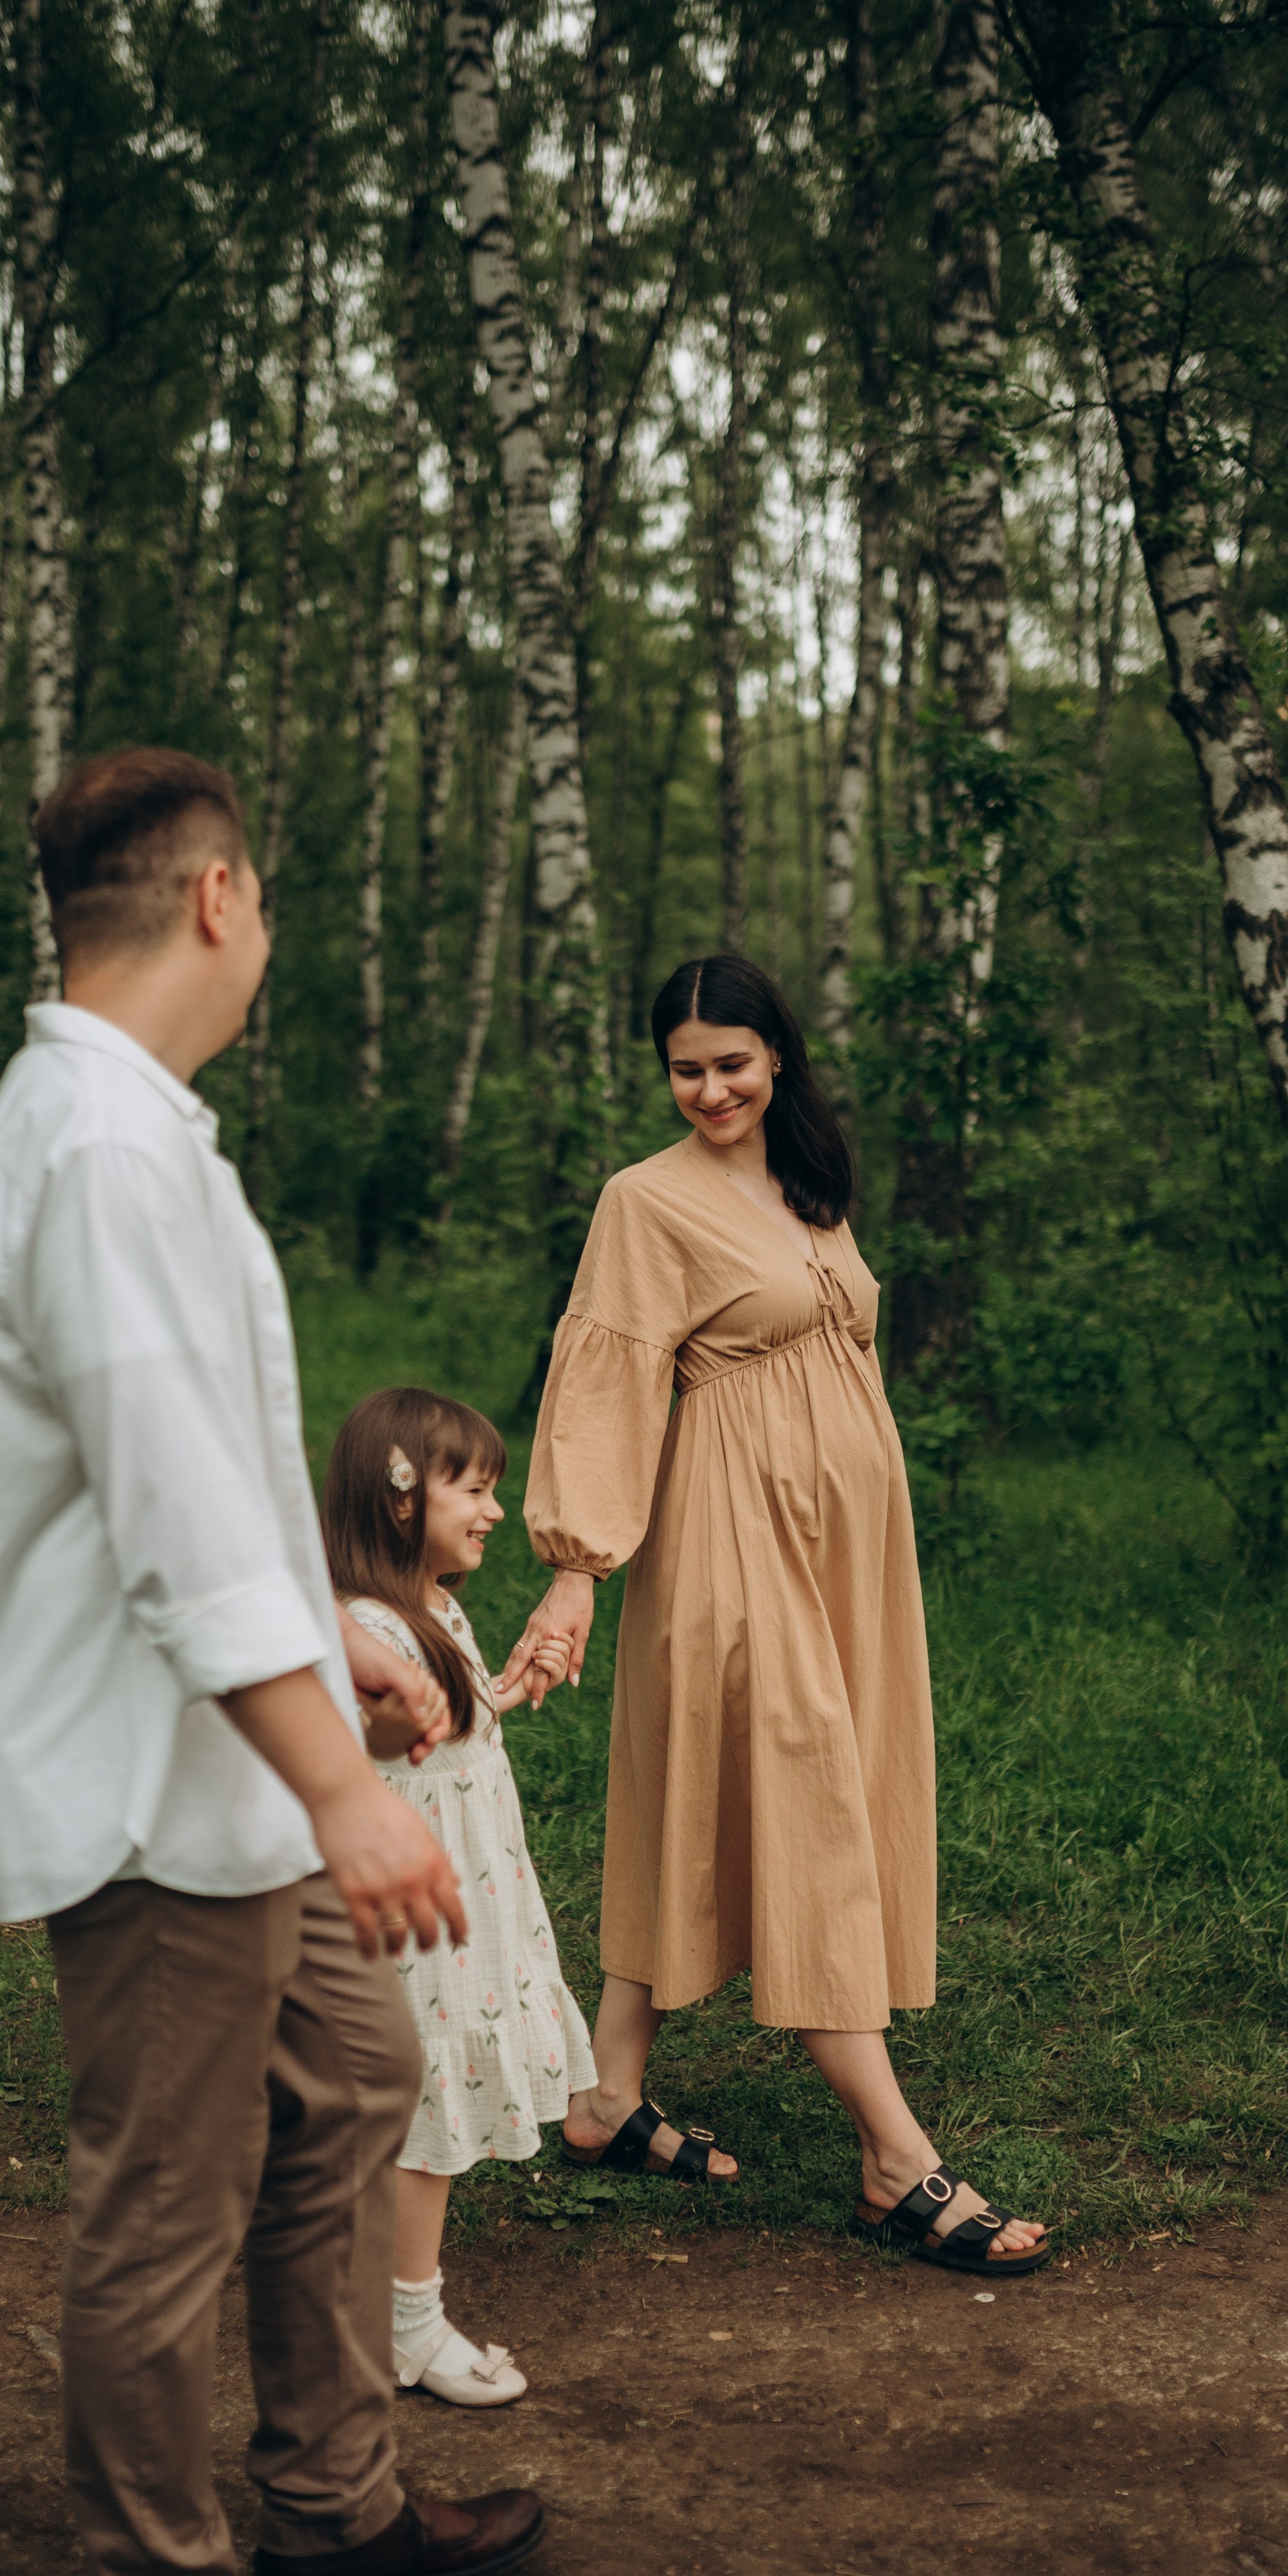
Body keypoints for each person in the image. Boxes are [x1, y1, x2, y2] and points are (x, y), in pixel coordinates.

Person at [0, 746, 545, 2576]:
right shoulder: (97, 1150)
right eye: (268, 903)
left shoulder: (140, 1137)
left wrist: (347, 1637)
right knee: (164, 2207)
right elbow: (169, 1511)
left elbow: (217, 1486)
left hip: (238, 1761)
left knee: (356, 2079)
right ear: (214, 900)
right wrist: (348, 1782)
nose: (267, 936)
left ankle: (336, 2510)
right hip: (148, 1778)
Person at [504, 951, 1048, 2277]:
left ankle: (606, 2097)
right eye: (684, 1069)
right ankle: (895, 2162)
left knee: (715, 1796)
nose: (708, 1089)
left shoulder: (809, 1185)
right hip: (733, 1543)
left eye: (731, 1062)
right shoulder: (645, 1202)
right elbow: (609, 1373)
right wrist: (579, 1567)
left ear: (778, 1058)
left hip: (841, 1551)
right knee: (803, 1812)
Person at [323, 1386, 596, 2409]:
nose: (493, 1511)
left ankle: (383, 2305)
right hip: (413, 1909)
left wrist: (507, 1689)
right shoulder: (362, 1627)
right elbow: (382, 1743)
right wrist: (408, 1721)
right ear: (400, 1499)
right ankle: (407, 2326)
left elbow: (456, 1733)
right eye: (472, 1491)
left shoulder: (432, 1607)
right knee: (423, 2112)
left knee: (415, 2114)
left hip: (469, 1891)